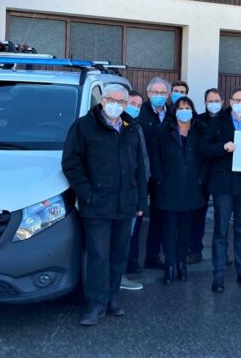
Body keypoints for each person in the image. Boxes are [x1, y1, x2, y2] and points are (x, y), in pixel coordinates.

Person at [61, 84, 147, 326]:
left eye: (122, 102)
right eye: (112, 99)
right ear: (102, 99)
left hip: (125, 203)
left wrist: (141, 200)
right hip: (97, 204)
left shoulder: (131, 127)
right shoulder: (84, 126)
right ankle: (95, 303)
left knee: (119, 254)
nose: (116, 105)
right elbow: (71, 163)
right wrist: (87, 194)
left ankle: (111, 298)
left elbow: (140, 167)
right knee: (98, 255)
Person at [201, 87, 241, 293]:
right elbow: (205, 149)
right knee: (220, 230)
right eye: (236, 99)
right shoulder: (217, 121)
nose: (240, 103)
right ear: (230, 100)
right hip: (223, 184)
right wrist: (223, 147)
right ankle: (218, 274)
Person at [149, 96, 206, 285]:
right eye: (180, 107)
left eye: (187, 107)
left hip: (191, 188)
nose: (184, 110)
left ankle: (182, 263)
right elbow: (154, 154)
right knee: (169, 230)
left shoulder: (199, 129)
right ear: (174, 110)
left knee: (185, 230)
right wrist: (159, 177)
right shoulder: (164, 129)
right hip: (168, 187)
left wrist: (201, 178)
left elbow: (206, 156)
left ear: (192, 110)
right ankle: (170, 265)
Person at [135, 77, 173, 271]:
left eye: (163, 93)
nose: (159, 96)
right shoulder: (139, 112)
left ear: (168, 95)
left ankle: (152, 256)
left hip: (162, 174)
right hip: (141, 172)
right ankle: (131, 260)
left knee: (158, 217)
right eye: (155, 92)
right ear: (148, 93)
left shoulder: (172, 115)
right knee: (137, 216)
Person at [188, 88, 223, 265]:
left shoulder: (228, 120)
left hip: (222, 175)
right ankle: (195, 250)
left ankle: (222, 253)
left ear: (223, 101)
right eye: (210, 101)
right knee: (198, 214)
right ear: (205, 102)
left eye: (216, 100)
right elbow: (199, 149)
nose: (214, 104)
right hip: (201, 175)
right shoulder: (199, 121)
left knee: (222, 217)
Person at [121, 89, 151, 291]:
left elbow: (142, 160)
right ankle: (116, 277)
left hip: (135, 191)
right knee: (120, 237)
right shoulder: (115, 127)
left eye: (139, 105)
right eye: (132, 103)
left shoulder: (135, 127)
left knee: (128, 236)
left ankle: (119, 276)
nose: (135, 108)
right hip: (118, 193)